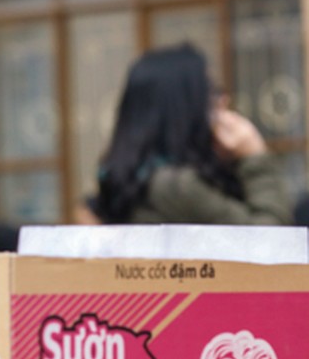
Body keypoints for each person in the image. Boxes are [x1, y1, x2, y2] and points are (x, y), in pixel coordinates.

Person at [95, 44, 291, 225]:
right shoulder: (176, 186)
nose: (223, 101)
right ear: (185, 108)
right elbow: (268, 241)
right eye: (212, 92)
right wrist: (253, 154)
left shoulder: (139, 175)